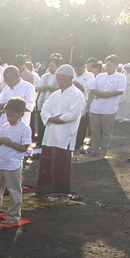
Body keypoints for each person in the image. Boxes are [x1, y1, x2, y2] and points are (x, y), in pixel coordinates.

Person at [37, 64, 86, 203]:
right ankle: (43, 191)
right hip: (50, 133)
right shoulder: (55, 94)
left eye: (62, 79)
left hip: (65, 135)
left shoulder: (77, 94)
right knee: (46, 163)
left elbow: (73, 114)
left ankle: (63, 195)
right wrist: (50, 118)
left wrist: (55, 119)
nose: (59, 82)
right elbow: (44, 109)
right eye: (58, 79)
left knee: (62, 165)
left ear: (71, 78)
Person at [0, 97, 32, 224]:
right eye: (7, 115)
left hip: (13, 164)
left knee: (14, 191)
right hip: (0, 162)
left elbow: (24, 147)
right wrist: (0, 141)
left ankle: (13, 216)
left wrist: (11, 144)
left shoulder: (25, 129)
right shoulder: (4, 126)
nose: (9, 118)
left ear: (21, 114)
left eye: (12, 116)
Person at [88, 55, 126, 156]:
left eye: (110, 65)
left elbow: (120, 91)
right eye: (106, 65)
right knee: (95, 131)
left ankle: (103, 150)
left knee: (106, 131)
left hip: (109, 109)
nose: (107, 67)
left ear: (116, 66)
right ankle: (94, 150)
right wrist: (102, 94)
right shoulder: (100, 76)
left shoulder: (121, 77)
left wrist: (106, 95)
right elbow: (92, 88)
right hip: (96, 107)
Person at [34, 57, 60, 143]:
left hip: (54, 105)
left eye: (52, 66)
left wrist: (50, 88)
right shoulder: (45, 76)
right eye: (49, 66)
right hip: (42, 102)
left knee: (50, 125)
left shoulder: (59, 77)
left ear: (57, 66)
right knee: (41, 124)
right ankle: (40, 142)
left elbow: (61, 90)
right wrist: (45, 87)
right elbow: (37, 88)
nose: (50, 68)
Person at [73, 61, 95, 152]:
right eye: (75, 69)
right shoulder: (73, 74)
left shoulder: (90, 76)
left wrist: (74, 83)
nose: (77, 70)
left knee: (81, 125)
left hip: (83, 103)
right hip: (71, 102)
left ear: (84, 67)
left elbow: (85, 89)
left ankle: (79, 145)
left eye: (79, 68)